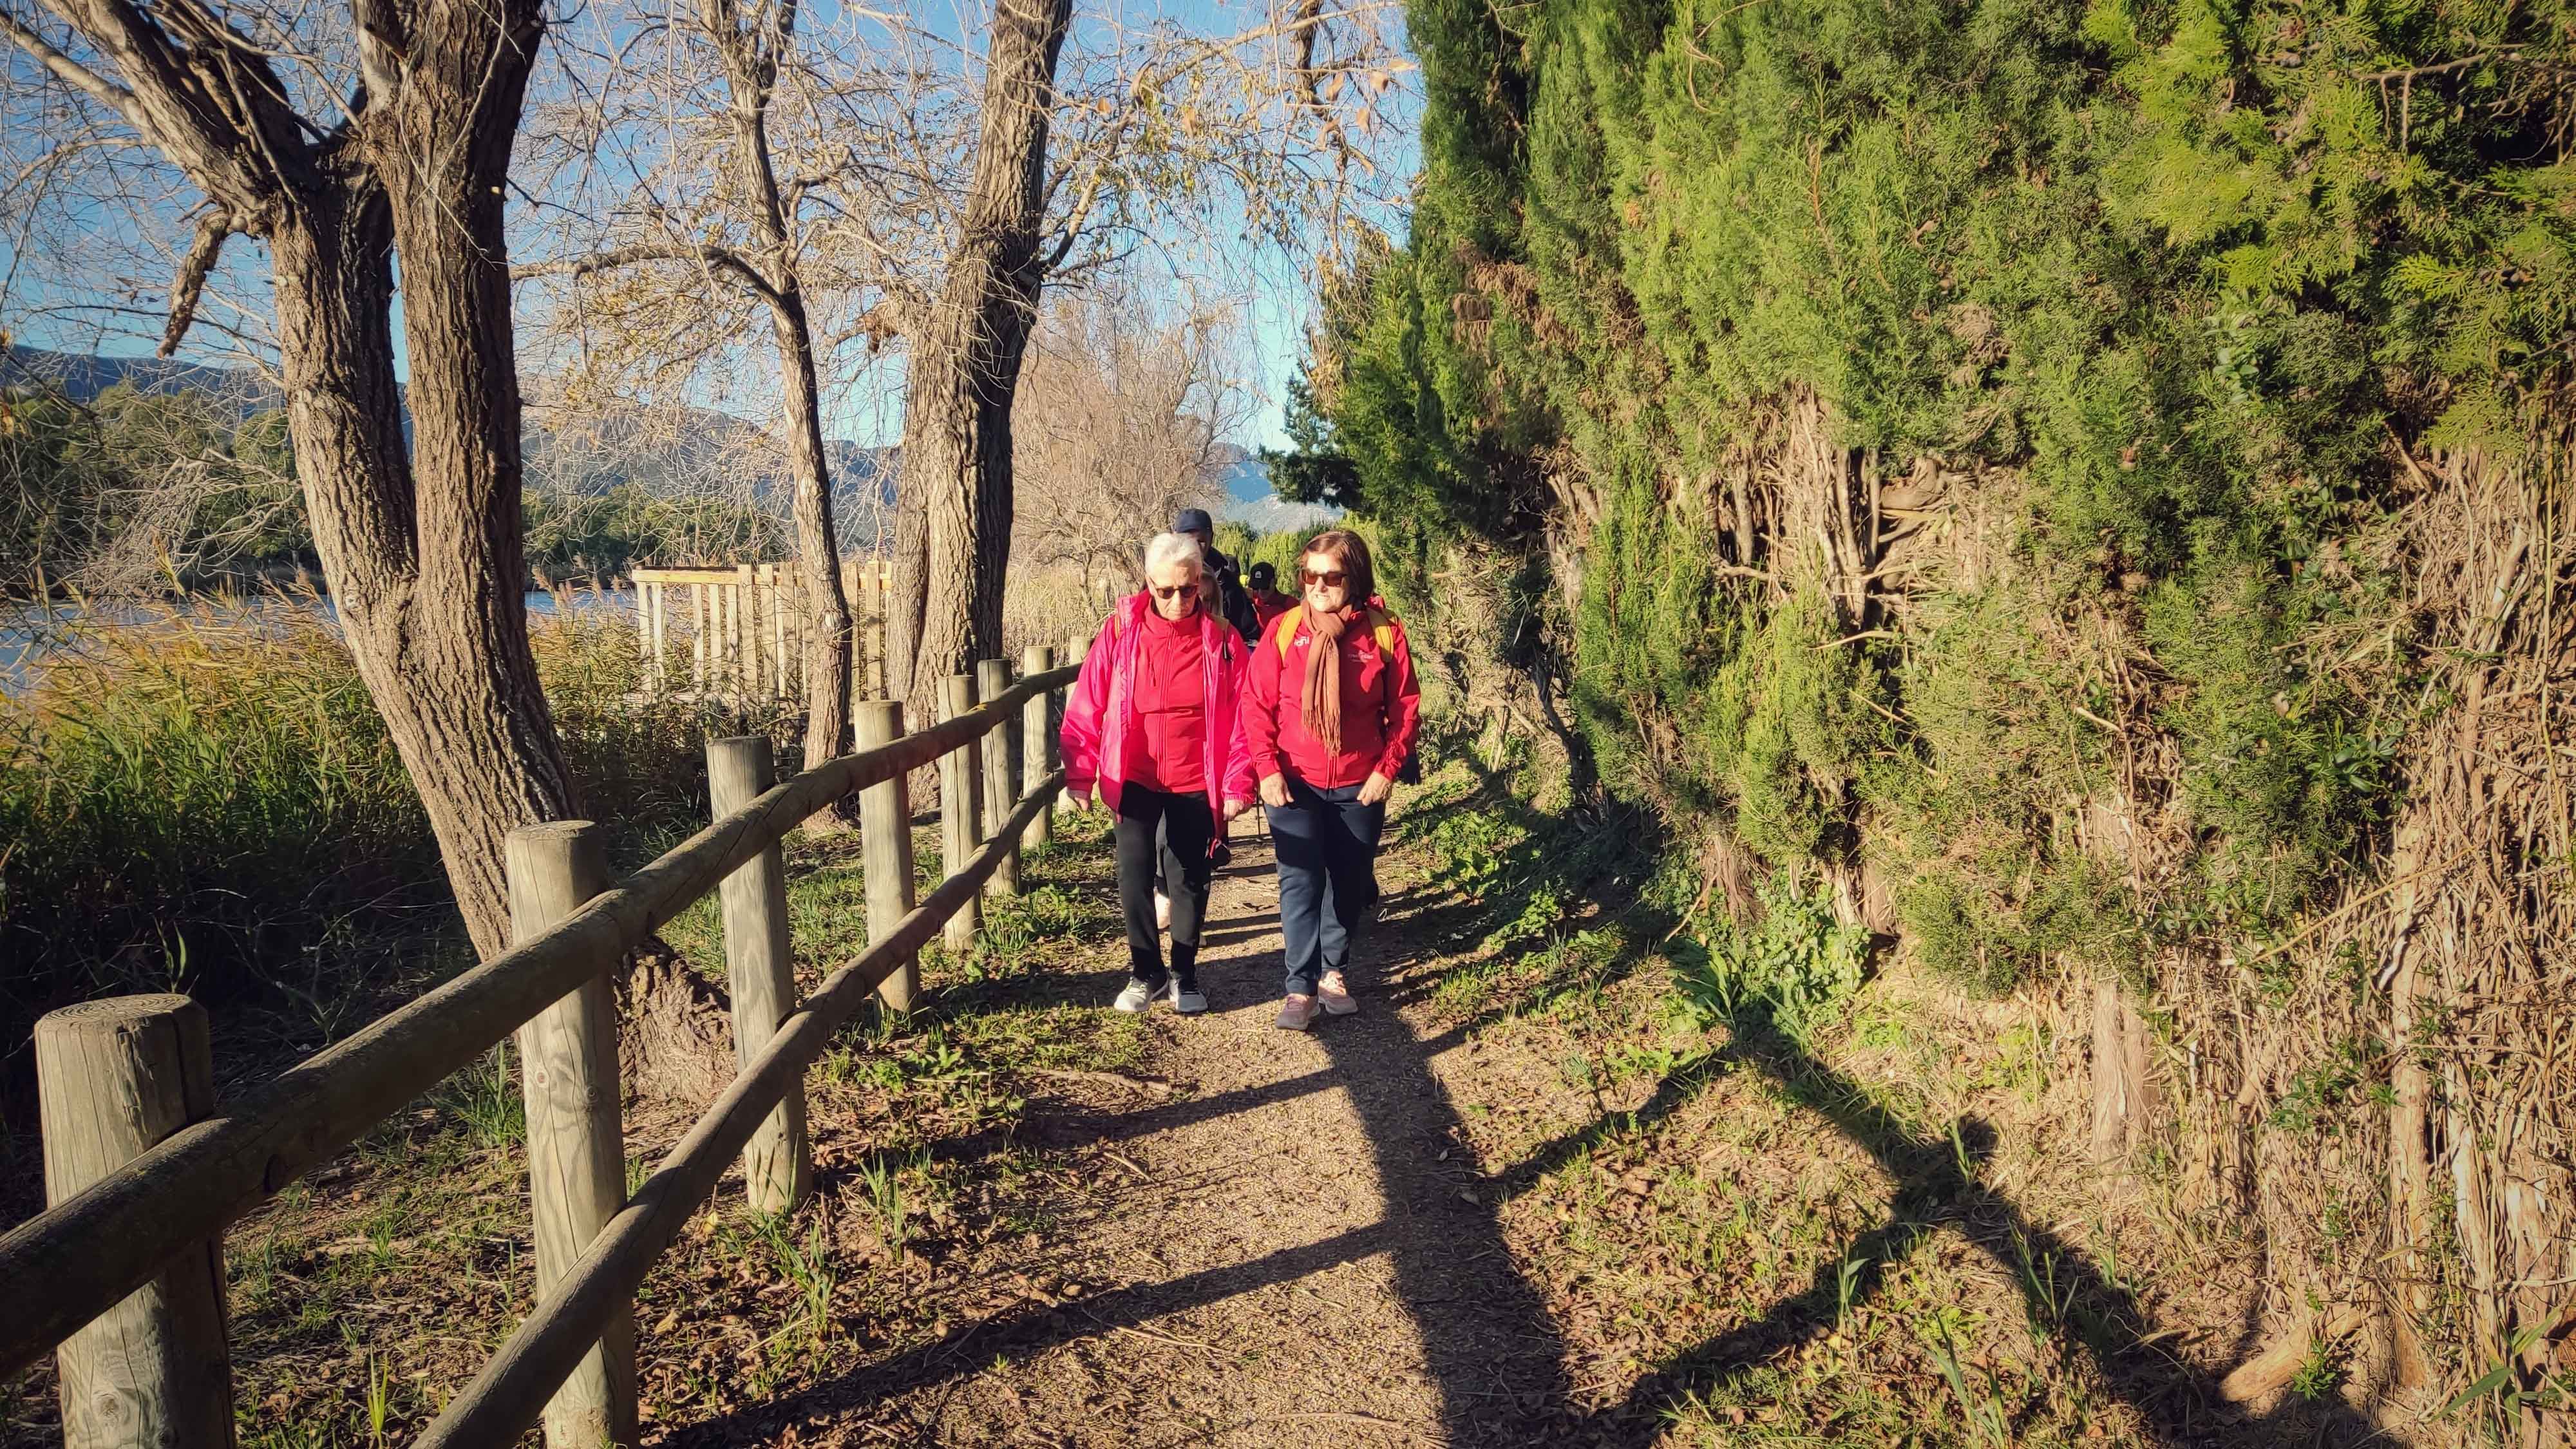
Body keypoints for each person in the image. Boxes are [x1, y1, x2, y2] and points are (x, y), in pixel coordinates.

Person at [1061, 533, 1255, 1015]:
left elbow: (1247, 717)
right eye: (1164, 591)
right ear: (1148, 583)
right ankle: (1144, 972)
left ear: (1201, 585)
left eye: (1186, 590)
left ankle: (1184, 974)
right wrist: (1081, 774)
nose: (1175, 601)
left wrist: (1236, 782)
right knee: (1133, 877)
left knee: (1188, 876)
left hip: (1194, 779)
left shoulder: (1223, 642)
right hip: (1134, 775)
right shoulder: (1120, 633)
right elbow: (1087, 705)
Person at [1240, 528, 1422, 1030]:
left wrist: (1387, 770)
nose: (1317, 585)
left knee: (1347, 879)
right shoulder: (1284, 629)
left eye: (1332, 576)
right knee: (1299, 882)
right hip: (1293, 782)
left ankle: (1333, 973)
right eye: (1309, 575)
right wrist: (1266, 768)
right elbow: (1256, 705)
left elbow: (1405, 709)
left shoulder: (1384, 633)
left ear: (1355, 577)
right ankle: (1299, 987)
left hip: (1359, 783)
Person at [1172, 506, 1261, 645]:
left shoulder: (1227, 582)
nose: (1194, 547)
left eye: (1200, 541)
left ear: (1211, 538)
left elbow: (1249, 636)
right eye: (1188, 541)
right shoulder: (1162, 577)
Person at [1244, 562, 1295, 630]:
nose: (1260, 591)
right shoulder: (1253, 600)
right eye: (1256, 587)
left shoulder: (1290, 605)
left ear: (1274, 582)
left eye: (1264, 587)